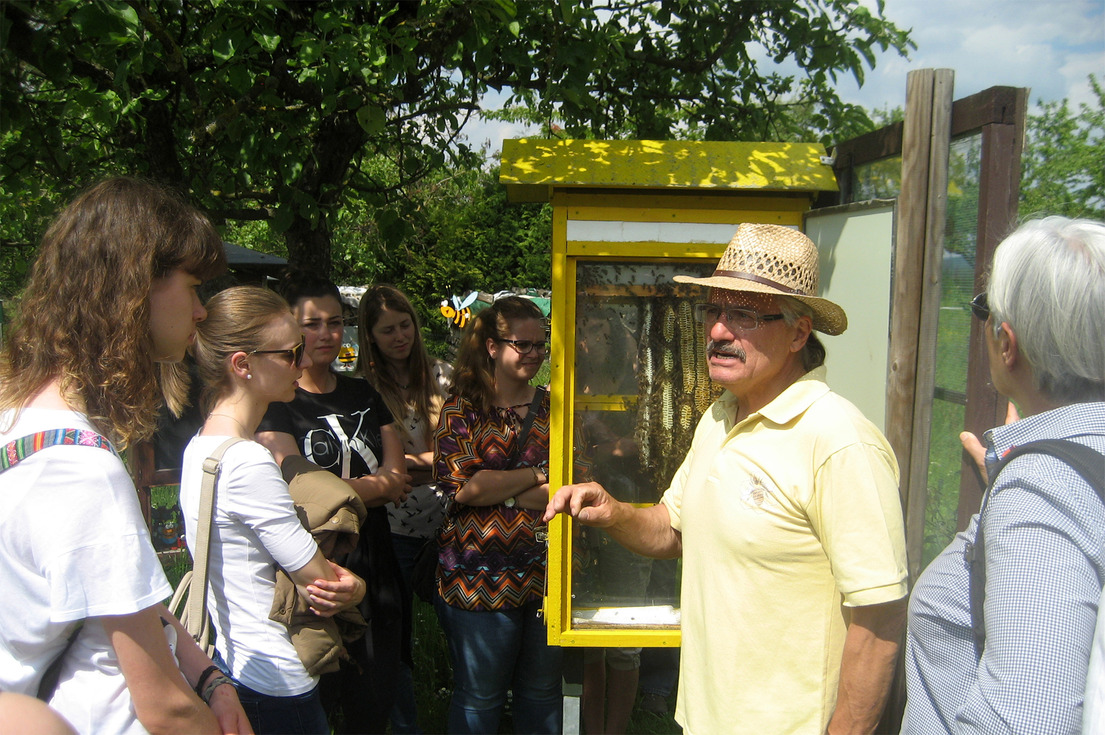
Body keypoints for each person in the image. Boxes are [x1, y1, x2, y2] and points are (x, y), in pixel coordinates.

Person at [544, 223, 909, 735]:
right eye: (714, 310)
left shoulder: (840, 442)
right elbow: (673, 528)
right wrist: (615, 512)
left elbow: (881, 620)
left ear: (799, 332)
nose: (717, 331)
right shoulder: (720, 417)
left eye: (743, 314)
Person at [0, 177, 251, 734]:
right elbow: (164, 709)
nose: (202, 311)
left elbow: (114, 600)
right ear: (135, 288)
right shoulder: (79, 470)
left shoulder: (18, 420)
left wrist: (210, 679)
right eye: (191, 287)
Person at [902, 216, 1105, 733]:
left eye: (983, 311)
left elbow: (1026, 719)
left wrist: (1031, 485)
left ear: (1006, 342)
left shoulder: (1043, 490)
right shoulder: (1071, 469)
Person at [182, 285, 366, 734]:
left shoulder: (201, 447)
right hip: (275, 678)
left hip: (230, 657)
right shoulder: (249, 461)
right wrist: (357, 588)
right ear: (242, 364)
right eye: (289, 354)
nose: (302, 364)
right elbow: (320, 582)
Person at [256, 271, 411, 734]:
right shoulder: (277, 403)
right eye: (312, 323)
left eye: (335, 321)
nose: (326, 333)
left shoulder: (363, 392)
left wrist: (339, 489)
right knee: (320, 684)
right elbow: (293, 488)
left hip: (376, 554)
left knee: (376, 688)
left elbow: (398, 477)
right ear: (290, 327)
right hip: (317, 555)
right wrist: (373, 485)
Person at [433, 296, 561, 734]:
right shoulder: (461, 409)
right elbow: (466, 487)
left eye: (539, 345)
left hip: (548, 572)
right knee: (480, 696)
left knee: (542, 691)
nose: (532, 354)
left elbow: (565, 491)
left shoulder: (555, 409)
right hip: (477, 572)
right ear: (492, 346)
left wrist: (499, 490)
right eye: (521, 344)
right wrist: (537, 473)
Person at [356, 284, 452, 734]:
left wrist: (405, 467)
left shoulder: (443, 376)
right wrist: (420, 466)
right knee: (397, 641)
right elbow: (373, 468)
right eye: (387, 330)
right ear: (370, 337)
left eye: (405, 324)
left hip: (448, 520)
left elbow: (461, 456)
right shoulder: (363, 391)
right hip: (390, 526)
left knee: (464, 629)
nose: (400, 336)